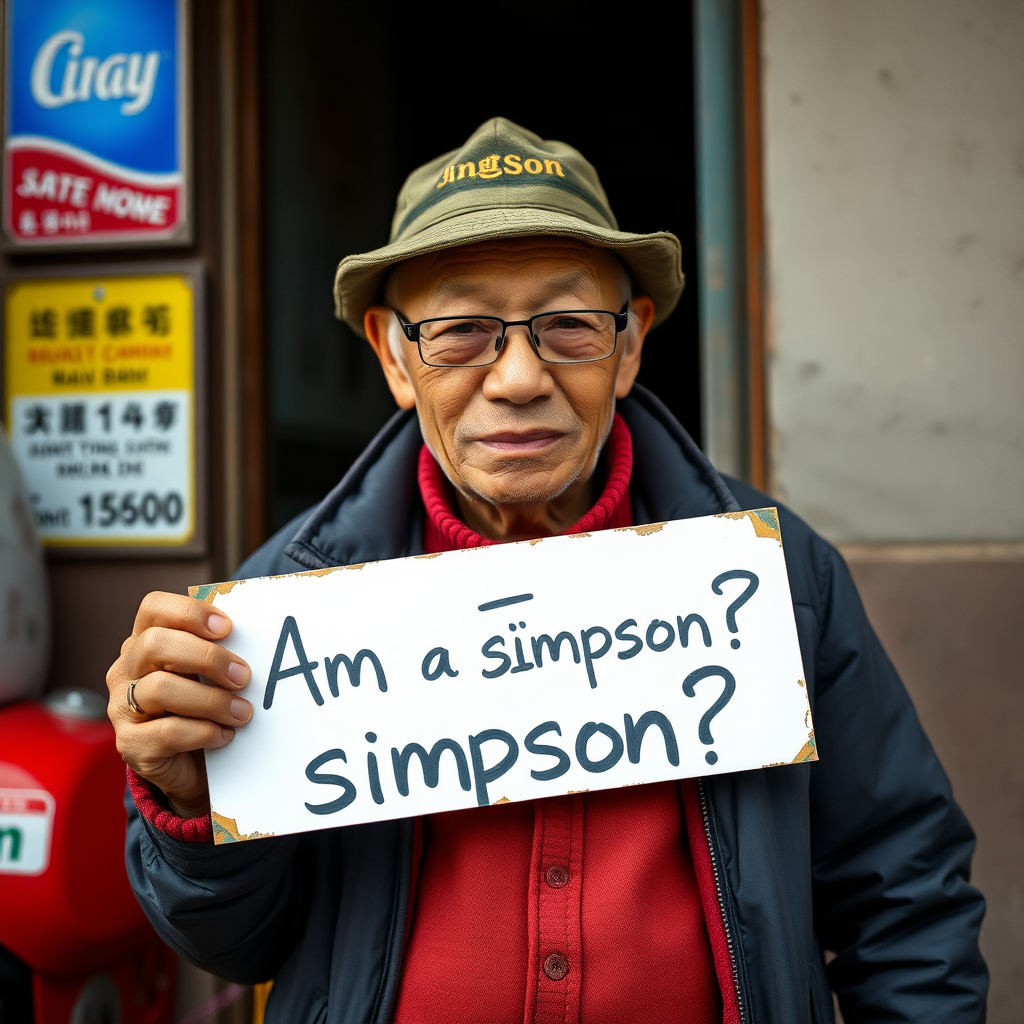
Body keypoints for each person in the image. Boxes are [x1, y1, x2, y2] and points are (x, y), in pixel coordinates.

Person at [107, 118, 987, 1024]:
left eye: (569, 326)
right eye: (460, 332)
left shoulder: (777, 579)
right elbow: (234, 943)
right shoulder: (282, 610)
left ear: (632, 343)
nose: (520, 376)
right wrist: (195, 804)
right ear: (393, 355)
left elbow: (906, 902)